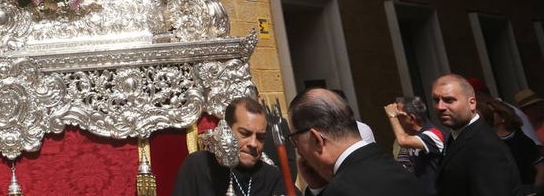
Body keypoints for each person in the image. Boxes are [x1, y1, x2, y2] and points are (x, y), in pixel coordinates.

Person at [287, 88, 420, 195]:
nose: (299, 151)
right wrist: (318, 188)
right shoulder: (392, 167)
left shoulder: (341, 190)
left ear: (317, 139)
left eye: (295, 140)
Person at [171, 96, 290, 196]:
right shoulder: (200, 165)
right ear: (226, 130)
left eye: (260, 137)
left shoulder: (272, 177)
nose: (253, 144)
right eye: (245, 134)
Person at [431, 73, 522, 196]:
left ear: (472, 103)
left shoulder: (484, 146)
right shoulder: (458, 136)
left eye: (449, 100)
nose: (440, 107)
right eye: (436, 100)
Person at [382, 95, 444, 195]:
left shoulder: (433, 134)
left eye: (399, 117)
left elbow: (403, 141)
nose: (397, 121)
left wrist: (392, 116)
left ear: (411, 118)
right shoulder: (409, 136)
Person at [481, 98, 544, 190]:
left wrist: (534, 189)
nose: (487, 116)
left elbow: (540, 167)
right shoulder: (486, 143)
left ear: (502, 116)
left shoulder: (520, 140)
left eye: (491, 112)